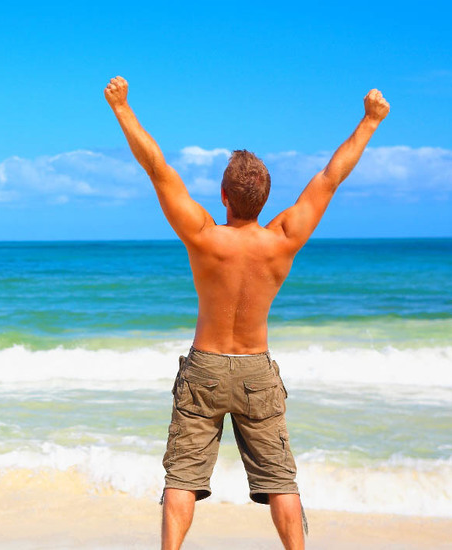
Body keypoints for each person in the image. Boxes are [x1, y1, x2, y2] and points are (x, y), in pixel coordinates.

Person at [104, 76, 389, 550]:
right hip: (257, 369)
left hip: (205, 368)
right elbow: (330, 178)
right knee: (280, 480)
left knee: (182, 476)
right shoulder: (283, 239)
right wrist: (370, 121)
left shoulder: (204, 237)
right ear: (267, 198)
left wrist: (122, 108)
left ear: (222, 195)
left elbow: (157, 168)